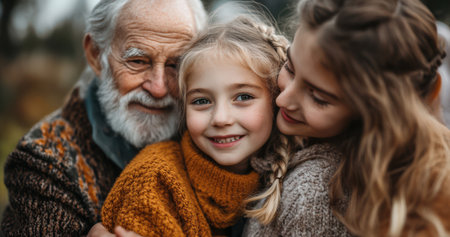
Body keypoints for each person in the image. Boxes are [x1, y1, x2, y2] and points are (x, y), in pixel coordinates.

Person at [244, 0, 450, 236]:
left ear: (375, 112)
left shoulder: (315, 194)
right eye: (290, 68)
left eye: (319, 97)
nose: (283, 100)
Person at [0, 0, 207, 235]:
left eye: (175, 65)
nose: (158, 88)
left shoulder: (213, 138)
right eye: (138, 61)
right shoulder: (46, 163)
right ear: (96, 55)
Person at [100, 16, 291, 236]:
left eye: (243, 96)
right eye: (201, 101)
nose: (221, 118)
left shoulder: (290, 176)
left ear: (276, 100)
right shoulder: (155, 181)